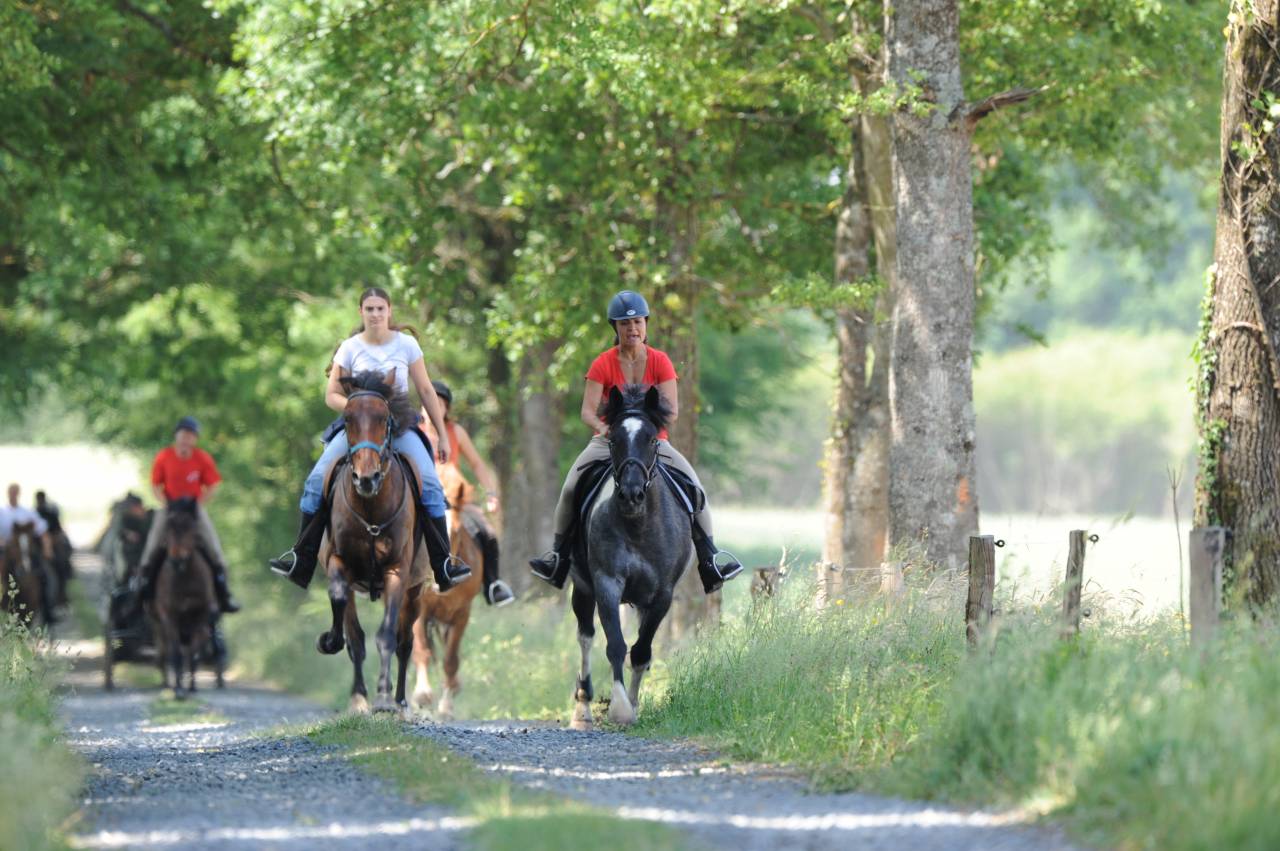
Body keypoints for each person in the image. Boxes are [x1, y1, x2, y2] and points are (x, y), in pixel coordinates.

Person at [529, 290, 743, 593]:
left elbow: (671, 411)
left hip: (651, 443)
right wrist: (607, 431)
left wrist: (643, 434)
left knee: (695, 489)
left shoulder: (661, 361)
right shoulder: (602, 364)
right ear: (615, 328)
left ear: (646, 325)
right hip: (608, 441)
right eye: (625, 324)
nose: (633, 329)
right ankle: (558, 558)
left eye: (638, 323)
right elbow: (588, 412)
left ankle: (710, 560)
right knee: (570, 488)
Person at [268, 287, 470, 592]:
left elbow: (427, 391)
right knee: (314, 482)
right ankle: (302, 558)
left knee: (430, 485)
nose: (375, 314)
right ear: (361, 312)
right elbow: (331, 394)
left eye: (380, 308)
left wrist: (441, 434)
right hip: (359, 431)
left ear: (389, 311)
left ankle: (443, 565)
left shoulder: (407, 345)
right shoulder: (350, 348)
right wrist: (360, 409)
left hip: (400, 427)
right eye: (369, 309)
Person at [420, 380, 515, 606]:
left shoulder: (456, 432)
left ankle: (493, 585)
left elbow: (477, 464)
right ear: (422, 406)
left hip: (455, 497)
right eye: (430, 402)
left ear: (446, 410)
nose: (435, 408)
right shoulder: (413, 430)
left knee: (488, 533)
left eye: (441, 405)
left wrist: (492, 493)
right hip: (421, 496)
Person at [135, 417, 241, 613]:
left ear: (195, 439)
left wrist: (198, 504)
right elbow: (155, 484)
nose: (186, 439)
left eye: (190, 435)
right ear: (176, 436)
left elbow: (213, 485)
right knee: (153, 543)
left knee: (214, 548)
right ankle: (142, 588)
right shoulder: (164, 456)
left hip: (193, 508)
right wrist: (165, 503)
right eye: (183, 434)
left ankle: (224, 594)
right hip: (170, 507)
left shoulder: (202, 458)